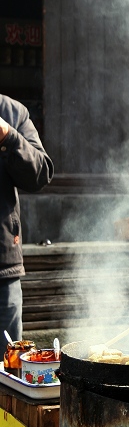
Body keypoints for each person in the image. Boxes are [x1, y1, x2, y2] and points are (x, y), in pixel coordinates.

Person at [0, 95, 54, 355]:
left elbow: (41, 173)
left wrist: (8, 137)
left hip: (2, 272)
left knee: (7, 370)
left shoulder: (11, 112)